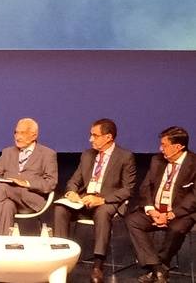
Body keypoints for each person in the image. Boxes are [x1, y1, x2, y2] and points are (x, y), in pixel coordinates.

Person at [53, 118, 136, 283]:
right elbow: (74, 181)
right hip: (84, 200)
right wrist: (71, 193)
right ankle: (60, 257)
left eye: (95, 135)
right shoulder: (87, 155)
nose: (91, 139)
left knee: (103, 212)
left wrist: (102, 199)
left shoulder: (125, 157)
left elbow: (128, 189)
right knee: (60, 209)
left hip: (106, 202)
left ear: (108, 137)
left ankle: (98, 265)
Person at [126, 126, 196, 283]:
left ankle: (159, 267)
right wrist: (152, 211)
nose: (160, 148)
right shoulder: (157, 160)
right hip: (156, 210)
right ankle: (158, 268)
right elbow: (145, 187)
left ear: (178, 147)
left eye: (164, 145)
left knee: (177, 228)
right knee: (133, 221)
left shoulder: (194, 163)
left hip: (180, 213)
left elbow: (194, 197)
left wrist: (170, 214)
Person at [0, 118, 57, 235]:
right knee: (6, 205)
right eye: (16, 132)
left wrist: (26, 183)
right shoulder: (7, 152)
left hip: (29, 198)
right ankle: (3, 244)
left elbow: (51, 183)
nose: (17, 136)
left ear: (34, 135)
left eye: (23, 133)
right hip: (5, 196)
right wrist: (1, 186)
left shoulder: (47, 154)